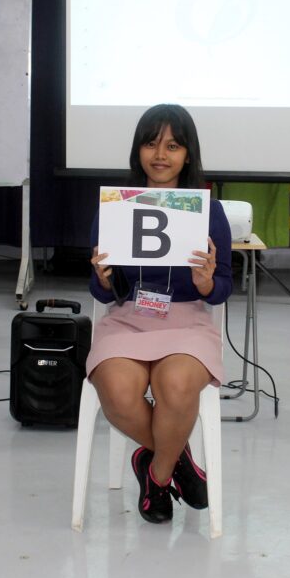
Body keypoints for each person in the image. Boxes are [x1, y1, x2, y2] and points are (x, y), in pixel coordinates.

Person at [88, 104, 233, 525]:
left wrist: (206, 283)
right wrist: (102, 278)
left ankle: (156, 473)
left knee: (176, 384)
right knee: (116, 391)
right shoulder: (116, 207)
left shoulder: (210, 212)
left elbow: (223, 289)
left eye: (172, 146)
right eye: (151, 144)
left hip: (187, 320)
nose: (160, 155)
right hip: (129, 317)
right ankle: (176, 460)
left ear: (188, 155)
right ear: (138, 151)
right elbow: (100, 290)